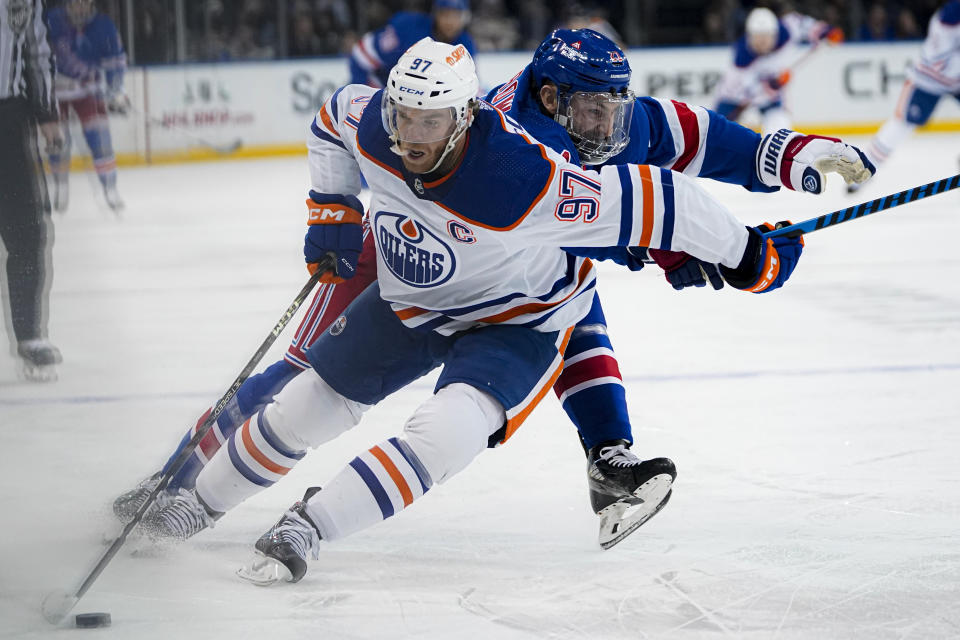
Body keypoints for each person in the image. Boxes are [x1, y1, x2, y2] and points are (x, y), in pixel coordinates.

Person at [136, 39, 872, 587]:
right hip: (405, 266)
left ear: (461, 117)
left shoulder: (578, 128)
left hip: (514, 305)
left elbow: (684, 148)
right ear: (549, 98)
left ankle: (316, 522)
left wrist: (789, 162)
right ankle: (183, 486)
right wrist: (330, 207)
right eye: (593, 108)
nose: (611, 125)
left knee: (457, 421)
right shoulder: (513, 161)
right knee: (304, 387)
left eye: (611, 106)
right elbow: (339, 116)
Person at [0, 0, 63, 382]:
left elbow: (36, 47)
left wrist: (46, 112)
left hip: (9, 118)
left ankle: (29, 336)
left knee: (27, 230)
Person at [850, 1, 960, 193]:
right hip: (928, 80)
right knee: (901, 124)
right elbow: (938, 65)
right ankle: (863, 171)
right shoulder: (948, 20)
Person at [45, 0, 128, 213]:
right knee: (57, 143)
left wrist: (116, 90)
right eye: (75, 3)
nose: (80, 7)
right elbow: (37, 56)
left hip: (89, 91)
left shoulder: (103, 25)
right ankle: (60, 187)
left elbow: (115, 60)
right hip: (56, 93)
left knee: (100, 140)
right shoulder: (51, 21)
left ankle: (110, 188)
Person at [714, 6, 844, 134]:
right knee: (717, 130)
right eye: (758, 37)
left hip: (771, 99)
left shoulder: (786, 31)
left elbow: (801, 23)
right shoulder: (742, 58)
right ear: (749, 36)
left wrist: (825, 31)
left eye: (766, 37)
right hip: (734, 98)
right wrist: (770, 85)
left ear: (775, 33)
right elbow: (745, 88)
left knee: (780, 126)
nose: (763, 42)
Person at [349, 0, 474, 88]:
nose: (450, 22)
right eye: (445, 14)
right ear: (436, 14)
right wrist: (364, 93)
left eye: (456, 15)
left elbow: (468, 87)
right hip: (381, 85)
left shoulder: (465, 45)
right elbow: (361, 54)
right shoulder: (407, 28)